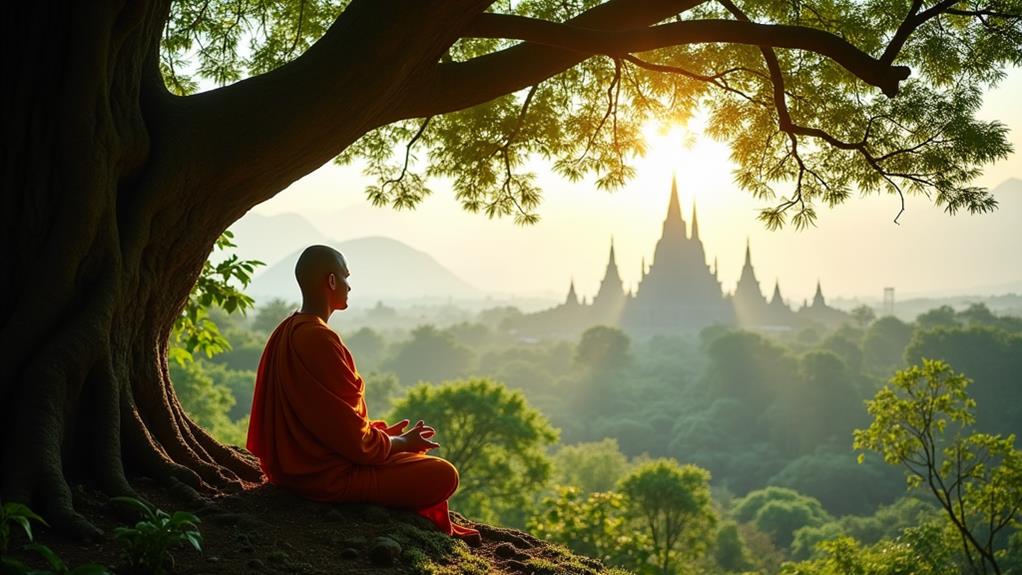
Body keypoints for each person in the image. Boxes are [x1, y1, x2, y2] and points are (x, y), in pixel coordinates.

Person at [246, 244, 479, 541]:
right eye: (345, 277)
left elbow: (328, 421)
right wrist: (399, 442)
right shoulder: (318, 338)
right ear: (331, 281)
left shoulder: (287, 329)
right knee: (444, 475)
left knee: (421, 467)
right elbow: (354, 443)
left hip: (293, 468)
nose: (349, 286)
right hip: (322, 476)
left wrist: (382, 435)